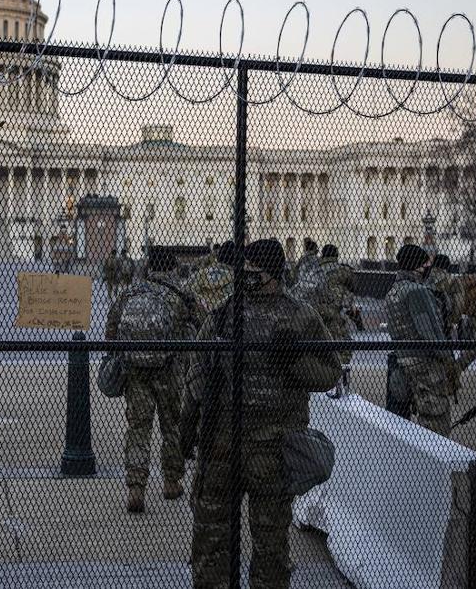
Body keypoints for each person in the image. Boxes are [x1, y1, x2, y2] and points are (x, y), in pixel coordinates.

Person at [180, 238, 342, 589]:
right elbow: (197, 372)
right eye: (245, 272)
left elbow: (330, 372)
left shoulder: (300, 315)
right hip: (222, 443)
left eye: (256, 274)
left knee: (270, 547)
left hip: (273, 447)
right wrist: (187, 428)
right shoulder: (224, 313)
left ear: (275, 274)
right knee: (210, 539)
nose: (248, 279)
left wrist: (293, 358)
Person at [106, 250, 201, 513]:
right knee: (171, 426)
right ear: (173, 267)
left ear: (148, 266)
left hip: (136, 371)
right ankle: (171, 481)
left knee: (138, 428)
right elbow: (196, 328)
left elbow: (111, 328)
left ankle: (136, 487)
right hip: (169, 369)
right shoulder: (180, 296)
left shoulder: (131, 292)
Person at [385, 244, 457, 436]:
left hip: (403, 361)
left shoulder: (393, 291)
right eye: (425, 262)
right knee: (436, 421)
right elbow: (429, 332)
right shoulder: (416, 291)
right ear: (416, 265)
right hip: (425, 364)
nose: (428, 267)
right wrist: (447, 358)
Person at [303, 244, 359, 367]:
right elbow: (353, 286)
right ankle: (341, 372)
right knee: (343, 346)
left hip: (314, 316)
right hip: (334, 316)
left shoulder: (313, 271)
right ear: (336, 255)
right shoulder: (342, 270)